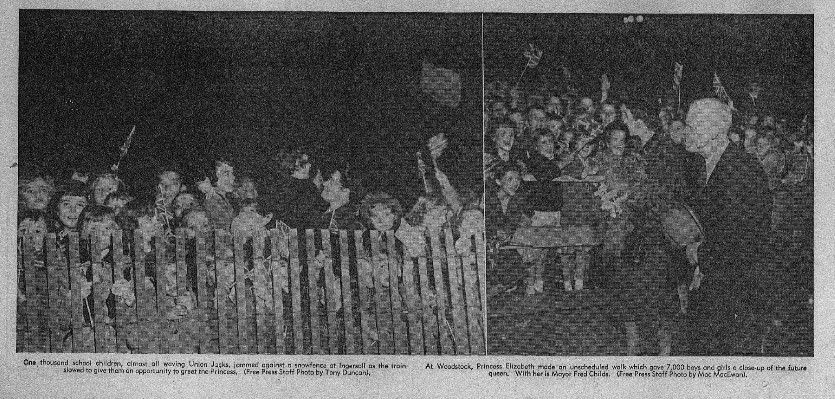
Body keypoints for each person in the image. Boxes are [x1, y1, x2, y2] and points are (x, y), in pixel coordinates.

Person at [682, 98, 773, 356]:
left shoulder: (740, 169)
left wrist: (699, 254)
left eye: (691, 126)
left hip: (736, 290)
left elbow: (740, 237)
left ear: (713, 129)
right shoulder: (706, 165)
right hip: (716, 281)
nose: (685, 132)